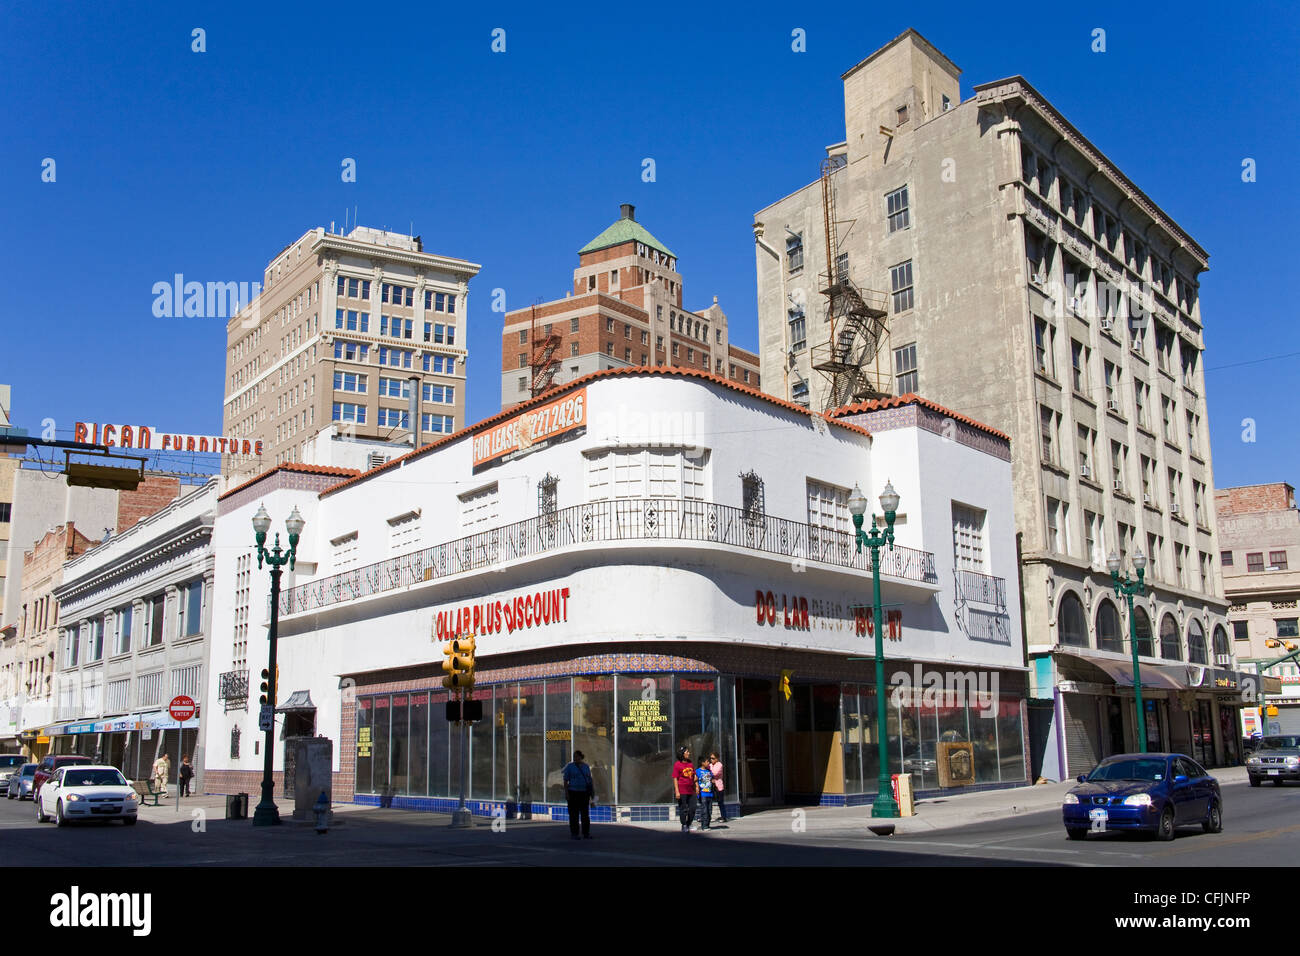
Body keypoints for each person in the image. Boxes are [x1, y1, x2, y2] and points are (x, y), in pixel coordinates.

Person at [561, 750, 595, 840]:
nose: (575, 758)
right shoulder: (570, 767)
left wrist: (592, 795)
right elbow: (565, 780)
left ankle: (586, 833)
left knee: (585, 814)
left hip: (584, 793)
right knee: (573, 814)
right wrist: (566, 793)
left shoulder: (586, 767)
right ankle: (574, 833)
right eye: (574, 756)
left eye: (577, 756)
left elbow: (589, 780)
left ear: (581, 757)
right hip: (573, 792)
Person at [672, 746, 696, 833]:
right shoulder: (677, 764)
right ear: (682, 754)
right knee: (683, 808)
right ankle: (684, 825)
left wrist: (696, 786)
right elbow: (675, 778)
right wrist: (677, 791)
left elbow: (694, 775)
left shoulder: (690, 763)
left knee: (693, 807)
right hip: (682, 790)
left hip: (691, 790)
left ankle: (689, 823)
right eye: (687, 752)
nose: (689, 753)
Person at [707, 752, 728, 823]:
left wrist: (709, 773)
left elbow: (715, 773)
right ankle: (707, 817)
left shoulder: (719, 765)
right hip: (711, 786)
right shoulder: (710, 765)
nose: (711, 760)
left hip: (718, 786)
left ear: (717, 758)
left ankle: (724, 817)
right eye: (710, 758)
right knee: (708, 802)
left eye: (713, 758)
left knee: (720, 802)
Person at [695, 756, 714, 830]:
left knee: (709, 810)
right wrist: (697, 787)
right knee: (704, 810)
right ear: (702, 763)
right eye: (707, 761)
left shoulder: (709, 771)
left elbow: (711, 779)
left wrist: (713, 781)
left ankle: (707, 824)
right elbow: (695, 780)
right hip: (703, 794)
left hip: (710, 793)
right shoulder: (698, 771)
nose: (708, 763)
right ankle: (704, 826)